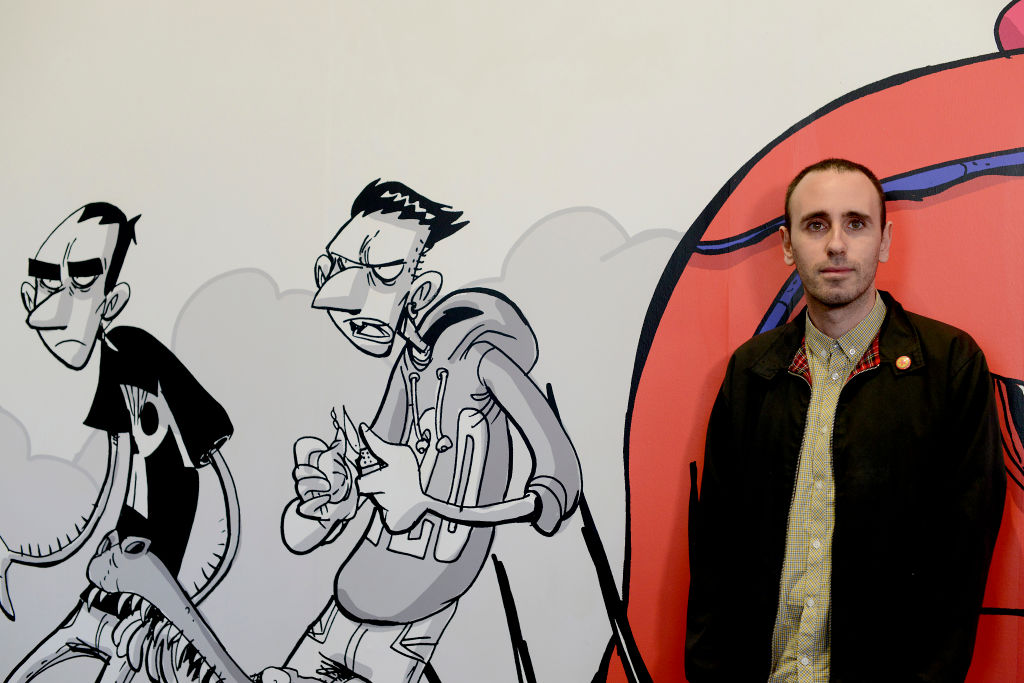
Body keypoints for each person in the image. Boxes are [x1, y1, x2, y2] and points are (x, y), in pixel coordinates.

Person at [685, 159, 1006, 681]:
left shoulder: (950, 366)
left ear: (884, 240)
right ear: (787, 245)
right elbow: (716, 550)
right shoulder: (752, 371)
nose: (836, 244)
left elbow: (962, 557)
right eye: (816, 225)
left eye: (856, 223)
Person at [262, 180, 582, 683]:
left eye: (382, 273)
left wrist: (433, 505)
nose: (346, 297)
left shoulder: (482, 360)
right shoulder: (407, 368)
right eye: (337, 268)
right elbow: (374, 462)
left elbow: (560, 475)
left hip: (415, 620)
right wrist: (335, 496)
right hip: (346, 604)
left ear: (422, 288)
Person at [4, 203, 239, 682]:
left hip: (149, 576)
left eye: (82, 280)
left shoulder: (132, 356)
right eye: (47, 281)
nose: (56, 302)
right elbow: (118, 480)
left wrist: (171, 596)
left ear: (111, 301)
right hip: (125, 569)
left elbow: (198, 479)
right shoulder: (110, 368)